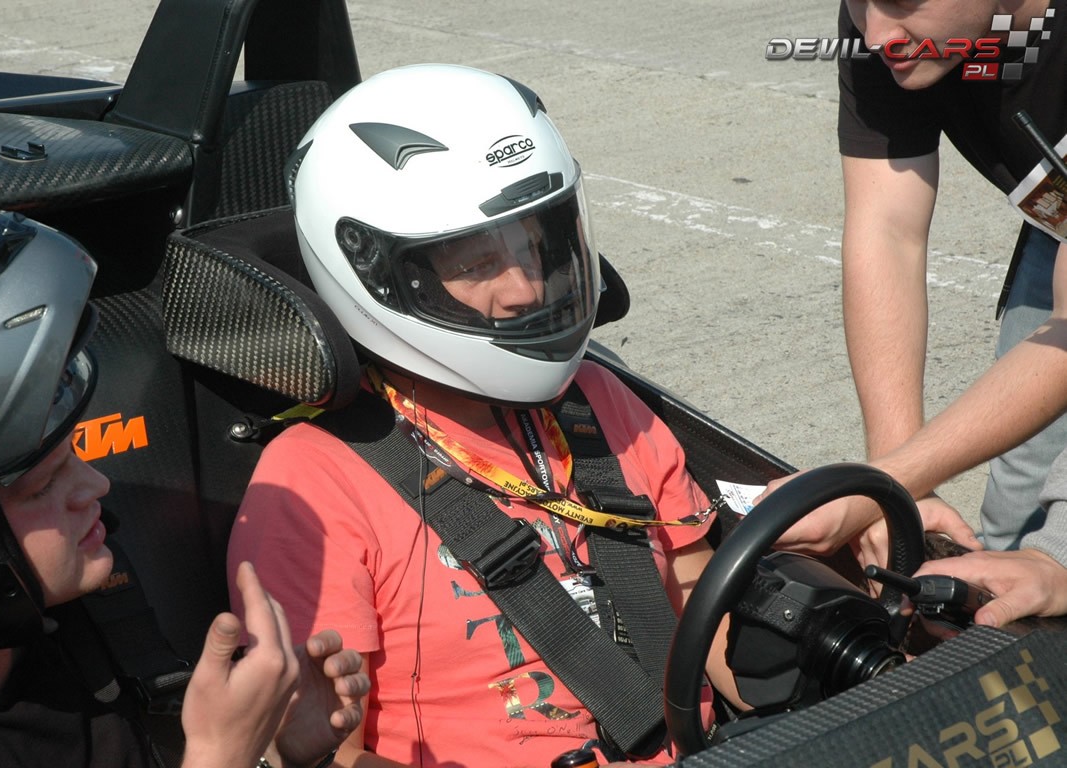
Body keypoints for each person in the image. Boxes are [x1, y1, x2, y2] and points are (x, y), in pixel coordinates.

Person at [227, 64, 744, 767]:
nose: (524, 288)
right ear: (383, 276)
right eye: (475, 265)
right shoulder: (314, 480)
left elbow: (707, 620)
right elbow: (328, 750)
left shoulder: (598, 401)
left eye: (532, 245)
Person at [0, 183, 368, 767]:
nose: (97, 486)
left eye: (74, 458)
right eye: (43, 485)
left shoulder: (74, 631)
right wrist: (221, 755)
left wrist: (280, 754)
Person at [762, 0, 1067, 624]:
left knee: (1050, 563)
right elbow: (888, 231)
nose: (876, 35)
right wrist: (899, 491)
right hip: (1057, 214)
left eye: (904, 3)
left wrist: (1057, 555)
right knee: (1011, 531)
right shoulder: (886, 24)